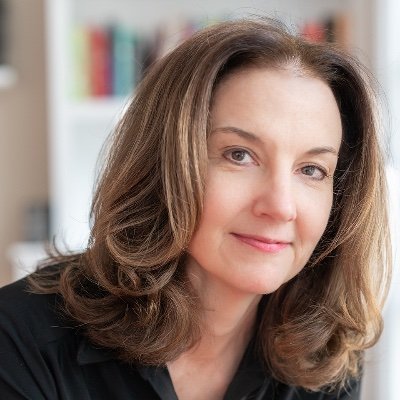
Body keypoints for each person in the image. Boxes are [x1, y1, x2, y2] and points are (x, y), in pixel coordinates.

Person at [0, 17, 391, 400]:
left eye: (311, 170)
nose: (280, 206)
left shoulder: (326, 360)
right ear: (162, 164)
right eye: (239, 155)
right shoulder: (19, 340)